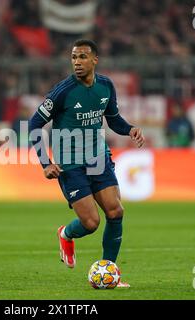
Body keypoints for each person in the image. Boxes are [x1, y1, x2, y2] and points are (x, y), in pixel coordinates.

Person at [28, 39, 145, 288]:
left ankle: (110, 272)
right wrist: (45, 163)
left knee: (116, 211)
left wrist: (131, 129)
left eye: (82, 57)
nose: (77, 62)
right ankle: (66, 233)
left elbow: (113, 120)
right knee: (91, 223)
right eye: (73, 57)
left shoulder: (106, 86)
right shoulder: (62, 91)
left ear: (95, 60)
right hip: (70, 164)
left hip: (98, 158)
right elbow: (34, 124)